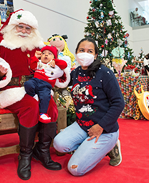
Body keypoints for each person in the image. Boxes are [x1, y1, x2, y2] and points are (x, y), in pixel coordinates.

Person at [0, 9, 69, 180]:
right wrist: (0, 72)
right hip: (11, 90)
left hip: (36, 87)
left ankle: (42, 152)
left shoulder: (39, 47)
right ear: (12, 27)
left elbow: (54, 67)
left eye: (28, 28)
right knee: (31, 107)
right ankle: (25, 155)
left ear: (33, 31)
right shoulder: (1, 45)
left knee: (51, 108)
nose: (24, 31)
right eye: (20, 27)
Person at [53, 37, 125, 176]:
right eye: (82, 50)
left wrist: (100, 126)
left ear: (95, 55)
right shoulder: (75, 73)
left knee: (75, 169)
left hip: (104, 129)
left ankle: (111, 146)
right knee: (59, 144)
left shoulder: (105, 73)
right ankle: (89, 147)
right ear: (76, 52)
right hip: (82, 125)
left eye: (89, 51)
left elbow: (118, 103)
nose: (85, 53)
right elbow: (59, 82)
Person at [24, 45, 68, 123]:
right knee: (27, 84)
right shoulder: (39, 63)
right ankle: (33, 96)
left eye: (49, 53)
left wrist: (56, 61)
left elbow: (64, 65)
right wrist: (35, 57)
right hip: (35, 80)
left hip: (45, 84)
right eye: (43, 53)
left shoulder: (54, 65)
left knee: (45, 96)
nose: (46, 55)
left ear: (54, 56)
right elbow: (32, 66)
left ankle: (43, 113)